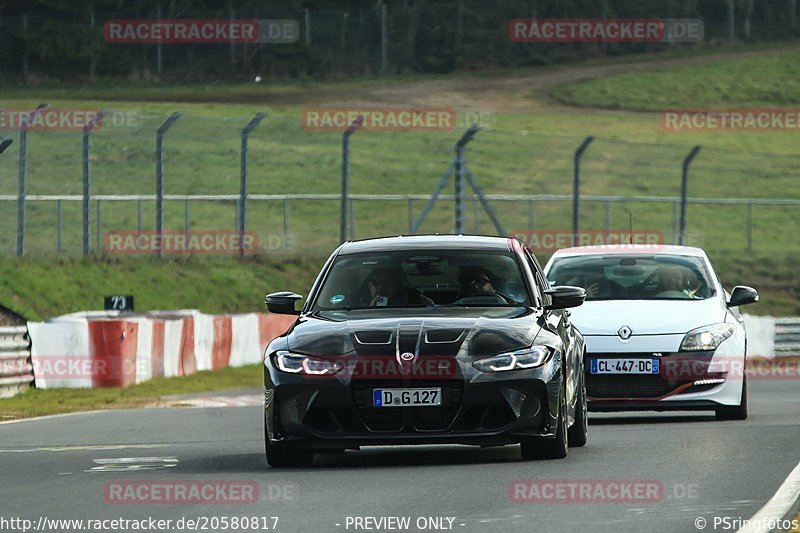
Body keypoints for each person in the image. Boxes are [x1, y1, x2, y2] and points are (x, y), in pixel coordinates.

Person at [361, 266, 433, 307]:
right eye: (376, 283)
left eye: (387, 284)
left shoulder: (419, 302)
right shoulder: (354, 304)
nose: (380, 288)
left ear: (398, 286)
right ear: (370, 286)